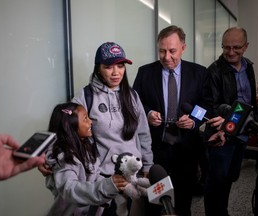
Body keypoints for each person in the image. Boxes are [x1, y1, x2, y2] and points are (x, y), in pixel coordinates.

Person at [39, 42, 153, 215]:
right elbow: (64, 128)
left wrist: (147, 165)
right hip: (104, 178)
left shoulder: (132, 95)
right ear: (98, 68)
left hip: (133, 173)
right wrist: (46, 157)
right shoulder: (85, 97)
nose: (116, 72)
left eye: (120, 66)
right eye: (108, 67)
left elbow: (143, 133)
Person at [133, 25, 213, 216]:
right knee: (154, 202)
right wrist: (148, 113)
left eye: (172, 51)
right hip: (155, 150)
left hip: (186, 149)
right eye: (162, 51)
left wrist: (194, 119)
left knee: (183, 203)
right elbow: (134, 104)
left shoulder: (199, 73)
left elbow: (207, 104)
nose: (166, 57)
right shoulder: (145, 73)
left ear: (183, 48)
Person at [204, 26, 257, 216]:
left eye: (236, 47)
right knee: (217, 180)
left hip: (243, 131)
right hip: (223, 132)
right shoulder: (214, 71)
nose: (231, 52)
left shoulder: (248, 66)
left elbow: (251, 98)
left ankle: (222, 211)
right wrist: (233, 112)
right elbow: (212, 104)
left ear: (246, 46)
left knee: (231, 176)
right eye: (226, 47)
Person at [45, 102, 128, 216]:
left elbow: (94, 175)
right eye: (85, 119)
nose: (91, 121)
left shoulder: (86, 146)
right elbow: (69, 189)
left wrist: (114, 186)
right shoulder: (64, 156)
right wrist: (106, 187)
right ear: (70, 125)